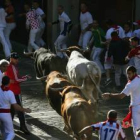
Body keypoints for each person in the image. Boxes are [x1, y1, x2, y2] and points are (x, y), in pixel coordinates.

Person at [102, 66, 140, 140]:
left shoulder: (130, 84)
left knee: (137, 129)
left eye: (129, 74)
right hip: (136, 107)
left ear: (134, 73)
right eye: (127, 74)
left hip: (136, 108)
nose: (128, 76)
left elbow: (120, 96)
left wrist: (109, 94)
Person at [4, 52, 31, 135]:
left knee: (11, 110)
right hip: (15, 92)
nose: (17, 60)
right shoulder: (11, 67)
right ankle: (22, 126)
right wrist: (25, 78)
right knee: (19, 110)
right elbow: (16, 80)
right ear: (11, 59)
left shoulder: (8, 66)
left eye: (17, 59)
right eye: (16, 59)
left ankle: (8, 128)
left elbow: (15, 77)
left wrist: (22, 77)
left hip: (9, 91)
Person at [0, 76, 31, 140]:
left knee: (3, 132)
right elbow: (16, 106)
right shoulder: (10, 93)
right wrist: (25, 110)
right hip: (6, 114)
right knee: (11, 133)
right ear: (9, 83)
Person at [104, 19, 125, 86]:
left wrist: (107, 50)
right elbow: (124, 39)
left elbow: (108, 41)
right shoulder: (120, 28)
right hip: (119, 51)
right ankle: (122, 82)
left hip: (111, 50)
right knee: (118, 68)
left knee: (107, 65)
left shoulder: (109, 31)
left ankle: (108, 79)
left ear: (108, 25)